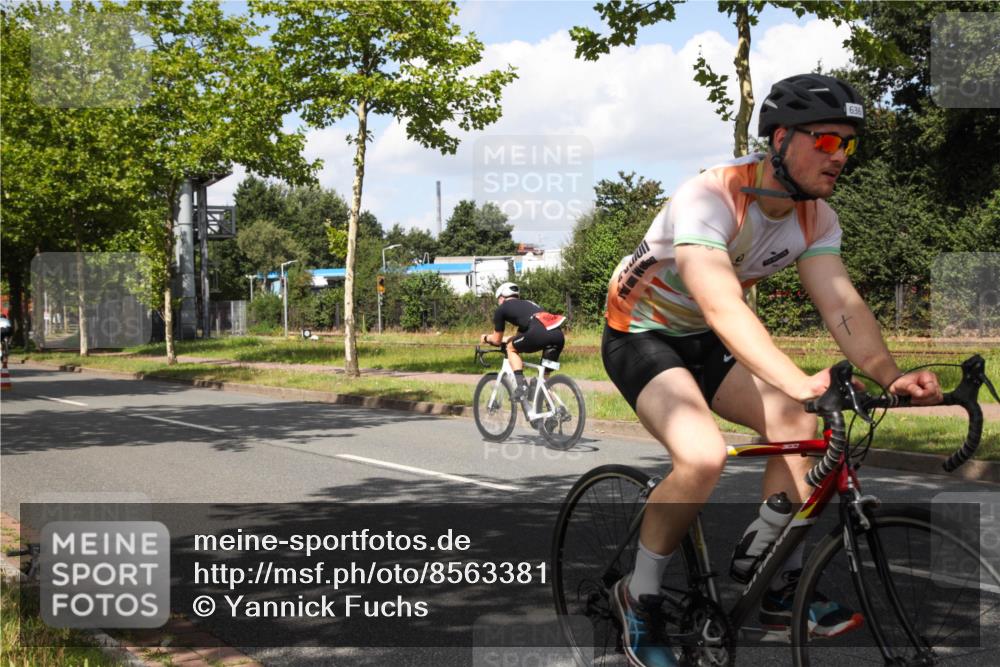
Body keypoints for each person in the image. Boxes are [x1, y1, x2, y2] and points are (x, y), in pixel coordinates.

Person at [601, 74, 942, 667]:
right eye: (827, 141)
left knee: (803, 428)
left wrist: (889, 375)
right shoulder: (710, 196)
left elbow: (841, 305)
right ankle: (640, 593)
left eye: (849, 144)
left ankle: (771, 574)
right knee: (702, 455)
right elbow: (721, 301)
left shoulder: (816, 218)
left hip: (703, 340)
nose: (840, 157)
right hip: (641, 333)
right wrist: (796, 380)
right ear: (781, 139)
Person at [480, 282, 566, 401]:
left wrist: (485, 338)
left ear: (501, 297)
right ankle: (556, 410)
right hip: (557, 335)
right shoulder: (529, 305)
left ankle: (522, 386)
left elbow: (496, 340)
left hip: (538, 332)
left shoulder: (502, 308)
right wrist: (508, 339)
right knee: (544, 381)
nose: (498, 302)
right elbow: (520, 337)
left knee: (510, 348)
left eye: (498, 299)